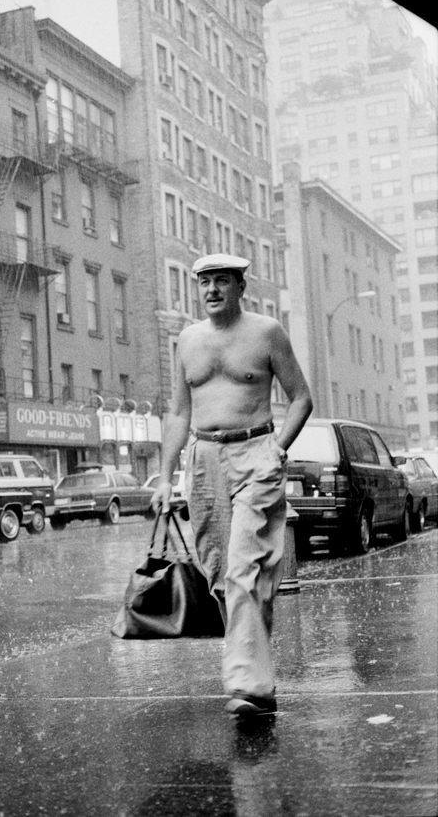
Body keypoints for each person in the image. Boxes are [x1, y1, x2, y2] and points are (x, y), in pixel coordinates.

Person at [152, 253, 313, 720]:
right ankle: (256, 677)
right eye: (204, 283)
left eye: (222, 282)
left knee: (245, 567)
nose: (212, 290)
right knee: (222, 576)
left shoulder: (266, 333)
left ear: (241, 287)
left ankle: (250, 686)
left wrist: (278, 448)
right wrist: (164, 478)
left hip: (255, 453)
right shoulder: (188, 340)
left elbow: (301, 397)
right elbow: (179, 413)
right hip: (203, 461)